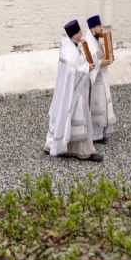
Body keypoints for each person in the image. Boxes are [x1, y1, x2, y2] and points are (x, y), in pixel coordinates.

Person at [44, 20, 102, 161]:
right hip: (73, 93)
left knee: (71, 118)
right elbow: (71, 71)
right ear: (73, 35)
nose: (81, 35)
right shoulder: (68, 49)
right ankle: (83, 151)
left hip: (76, 90)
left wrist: (86, 66)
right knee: (77, 118)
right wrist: (86, 68)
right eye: (79, 33)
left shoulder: (74, 46)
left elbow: (77, 65)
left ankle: (67, 147)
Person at [80, 14, 117, 141]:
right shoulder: (89, 43)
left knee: (102, 105)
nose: (101, 28)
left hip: (101, 78)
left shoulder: (95, 40)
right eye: (98, 26)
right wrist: (101, 63)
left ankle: (100, 133)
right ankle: (95, 135)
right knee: (97, 106)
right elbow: (88, 63)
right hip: (95, 81)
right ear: (92, 29)